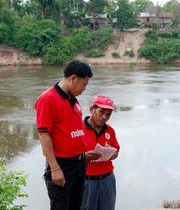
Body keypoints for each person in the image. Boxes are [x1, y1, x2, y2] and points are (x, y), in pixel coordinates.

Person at [35, 60, 93, 210]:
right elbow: (43, 134)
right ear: (73, 78)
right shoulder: (48, 99)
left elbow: (72, 131)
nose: (84, 89)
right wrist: (55, 168)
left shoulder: (73, 99)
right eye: (84, 84)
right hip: (62, 166)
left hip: (79, 163)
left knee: (76, 206)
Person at [81, 95, 120, 210]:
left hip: (107, 180)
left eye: (108, 114)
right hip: (86, 181)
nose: (104, 117)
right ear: (92, 109)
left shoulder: (110, 130)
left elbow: (116, 151)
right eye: (101, 112)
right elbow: (68, 157)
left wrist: (113, 154)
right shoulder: (78, 129)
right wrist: (84, 157)